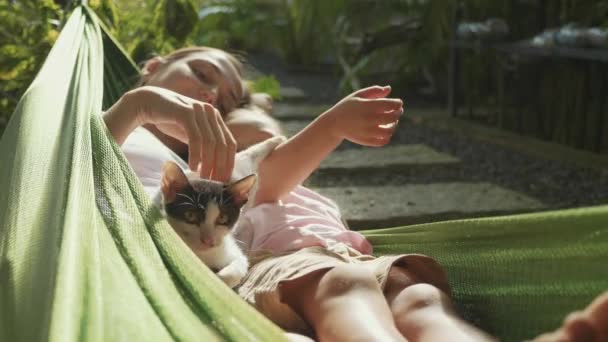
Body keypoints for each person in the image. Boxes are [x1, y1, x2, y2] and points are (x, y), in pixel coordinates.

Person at [102, 46, 608, 342]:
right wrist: (142, 103)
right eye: (203, 75)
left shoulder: (224, 174)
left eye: (229, 101)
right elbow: (77, 147)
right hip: (292, 265)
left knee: (421, 296)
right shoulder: (116, 135)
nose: (212, 96)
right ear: (153, 64)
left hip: (352, 250)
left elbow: (270, 174)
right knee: (344, 285)